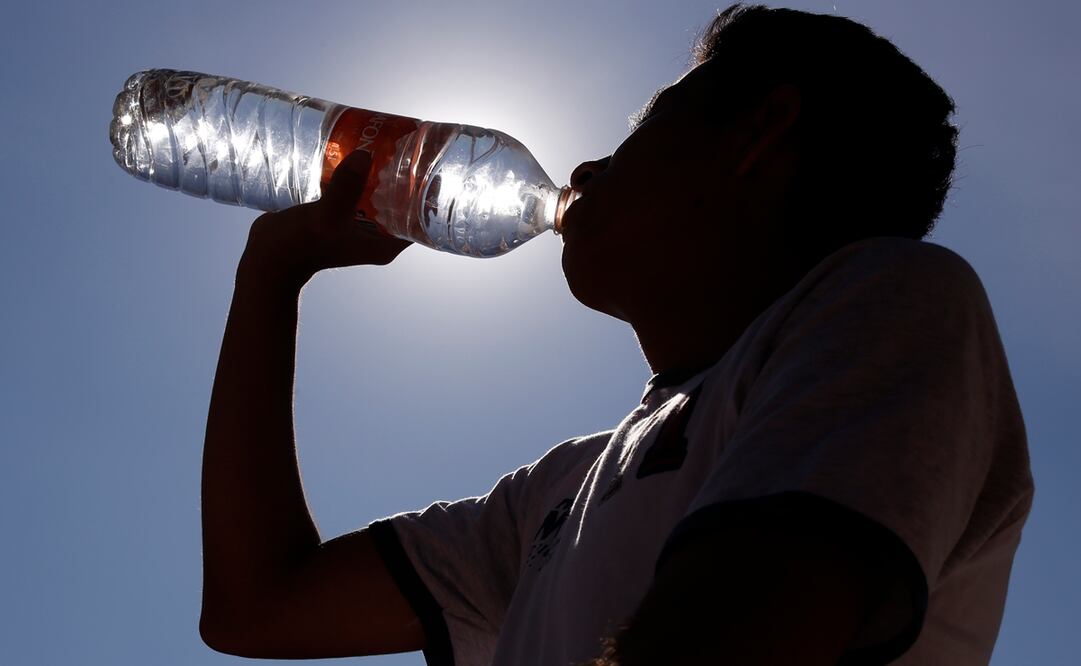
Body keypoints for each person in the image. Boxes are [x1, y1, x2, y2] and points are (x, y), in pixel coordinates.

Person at [197, 4, 1033, 665]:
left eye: (643, 129)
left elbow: (730, 639)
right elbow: (258, 606)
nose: (588, 170)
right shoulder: (557, 492)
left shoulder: (897, 301)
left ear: (759, 132)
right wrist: (271, 277)